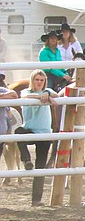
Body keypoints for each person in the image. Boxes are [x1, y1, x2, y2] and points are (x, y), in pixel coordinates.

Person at [14, 70, 57, 206]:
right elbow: (26, 97)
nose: (39, 82)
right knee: (18, 132)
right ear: (32, 80)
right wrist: (42, 97)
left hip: (44, 133)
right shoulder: (26, 92)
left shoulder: (48, 91)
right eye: (37, 79)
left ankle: (36, 199)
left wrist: (47, 94)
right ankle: (26, 160)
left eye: (42, 80)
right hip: (30, 130)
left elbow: (55, 94)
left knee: (40, 167)